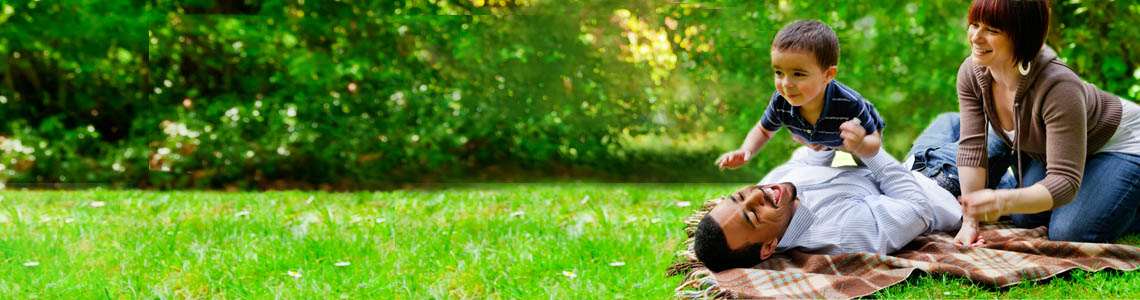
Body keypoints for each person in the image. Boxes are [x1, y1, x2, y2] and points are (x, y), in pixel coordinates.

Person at [947, 0, 1140, 245]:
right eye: (974, 24)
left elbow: (1064, 181)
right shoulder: (972, 73)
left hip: (1123, 144)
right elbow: (972, 149)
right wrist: (970, 222)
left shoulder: (1058, 86)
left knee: (1069, 232)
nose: (976, 37)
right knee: (1023, 216)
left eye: (992, 30)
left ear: (1023, 35)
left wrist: (1002, 200)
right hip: (1073, 150)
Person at [694, 145, 962, 272]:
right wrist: (865, 150)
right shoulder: (840, 233)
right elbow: (917, 208)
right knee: (989, 103)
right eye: (752, 214)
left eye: (739, 195)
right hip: (945, 181)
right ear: (768, 247)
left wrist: (822, 136)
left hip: (917, 159)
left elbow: (806, 160)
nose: (756, 195)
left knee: (951, 115)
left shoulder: (772, 189)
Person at [716, 20, 885, 170]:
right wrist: (746, 150)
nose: (786, 84)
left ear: (828, 74)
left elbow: (874, 142)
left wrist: (861, 144)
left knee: (865, 166)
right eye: (779, 72)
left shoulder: (850, 103)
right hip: (821, 137)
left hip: (857, 137)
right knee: (816, 164)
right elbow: (764, 130)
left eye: (798, 74)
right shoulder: (780, 102)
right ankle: (822, 146)